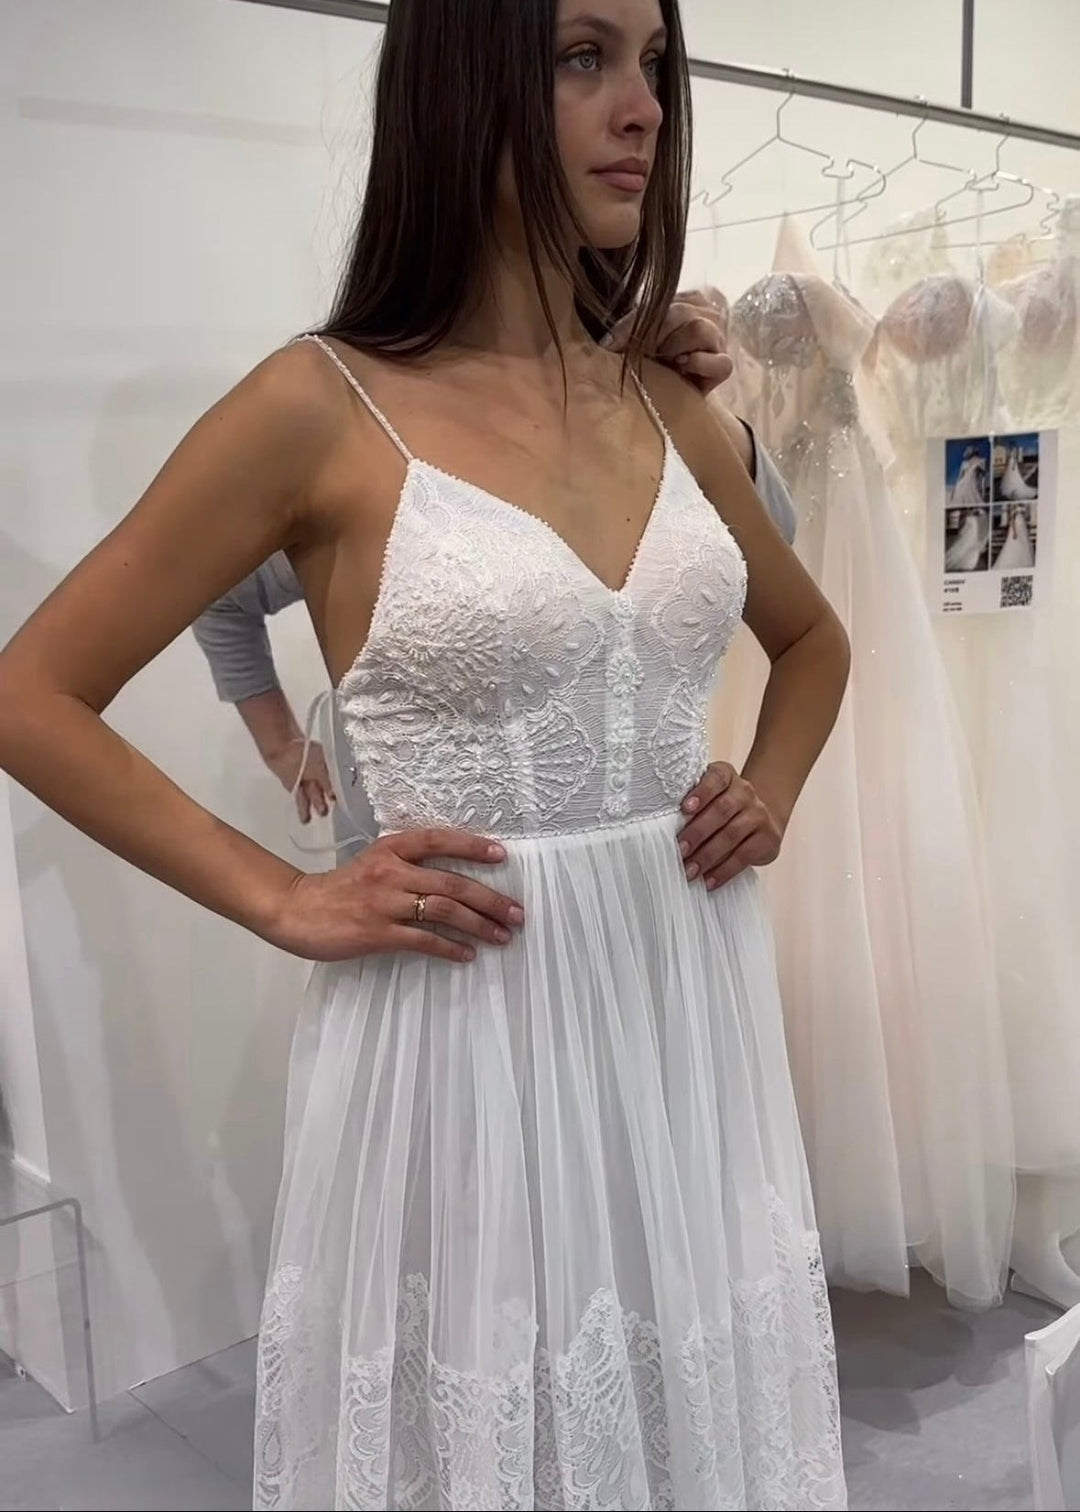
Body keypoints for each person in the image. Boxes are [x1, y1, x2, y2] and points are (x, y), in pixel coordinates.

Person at [0, 0, 850, 1506]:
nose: (644, 106)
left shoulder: (668, 400)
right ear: (463, 83)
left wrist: (768, 788)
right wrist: (282, 896)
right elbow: (34, 694)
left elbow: (816, 639)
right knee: (489, 1431)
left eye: (654, 62)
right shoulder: (316, 408)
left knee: (686, 1401)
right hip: (463, 1036)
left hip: (682, 1007)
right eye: (583, 57)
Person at [192, 294, 799, 843]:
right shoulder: (368, 452)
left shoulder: (638, 405)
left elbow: (769, 551)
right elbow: (221, 597)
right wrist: (283, 747)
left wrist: (688, 408)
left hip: (664, 887)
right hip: (436, 914)